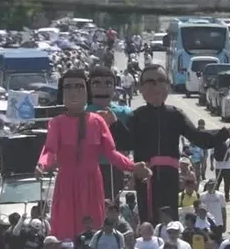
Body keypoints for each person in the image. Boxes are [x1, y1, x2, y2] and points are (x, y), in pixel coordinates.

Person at [119, 64, 230, 224]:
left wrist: (226, 133)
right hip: (146, 178)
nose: (156, 86)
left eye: (161, 81)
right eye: (150, 81)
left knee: (170, 221)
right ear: (141, 87)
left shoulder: (175, 115)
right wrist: (109, 124)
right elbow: (122, 142)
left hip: (170, 177)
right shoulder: (136, 116)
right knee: (149, 221)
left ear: (168, 85)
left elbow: (200, 138)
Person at [36, 69, 150, 240]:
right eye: (68, 88)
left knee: (93, 231)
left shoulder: (97, 121)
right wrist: (42, 165)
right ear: (62, 93)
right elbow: (50, 151)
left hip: (92, 183)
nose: (74, 92)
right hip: (66, 184)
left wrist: (132, 166)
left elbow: (111, 153)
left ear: (87, 92)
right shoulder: (57, 123)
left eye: (79, 87)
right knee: (65, 232)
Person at [86, 66, 133, 200]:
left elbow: (130, 141)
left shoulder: (124, 112)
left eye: (108, 83)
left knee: (112, 203)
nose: (103, 88)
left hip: (115, 167)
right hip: (88, 167)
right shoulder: (81, 113)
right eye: (97, 83)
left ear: (114, 86)